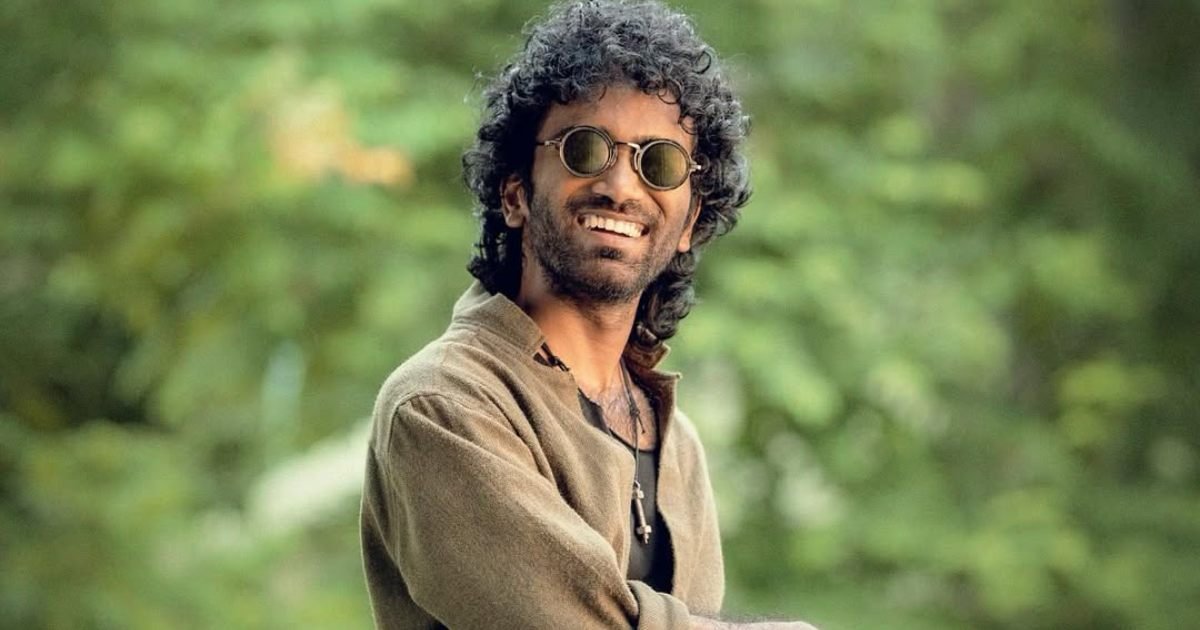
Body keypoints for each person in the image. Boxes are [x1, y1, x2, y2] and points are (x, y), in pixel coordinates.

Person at [360, 1, 817, 628]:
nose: (621, 187)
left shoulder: (675, 442)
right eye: (585, 149)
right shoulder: (442, 406)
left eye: (659, 162)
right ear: (516, 194)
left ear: (688, 221)